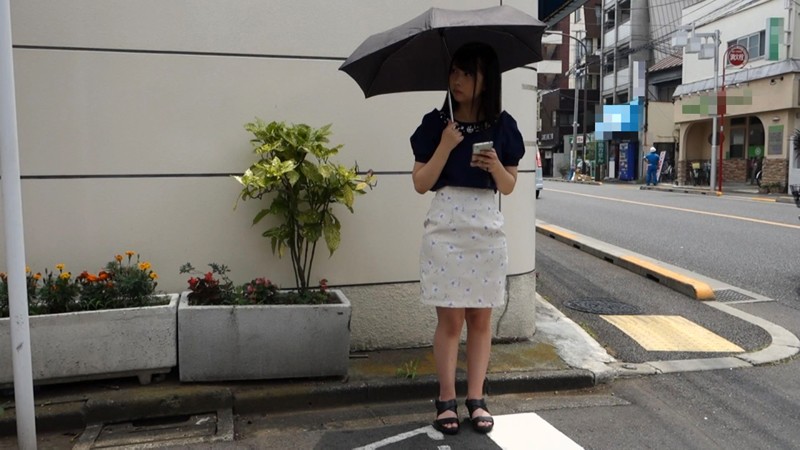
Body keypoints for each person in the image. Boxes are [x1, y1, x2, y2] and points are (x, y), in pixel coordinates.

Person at [409, 42, 524, 436]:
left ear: (485, 81)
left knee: (480, 318)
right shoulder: (436, 123)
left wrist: (495, 167)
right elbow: (420, 182)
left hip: (485, 230)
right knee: (450, 320)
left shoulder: (503, 126)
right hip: (445, 228)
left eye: (467, 73)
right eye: (454, 72)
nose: (456, 80)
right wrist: (445, 145)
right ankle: (446, 399)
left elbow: (508, 186)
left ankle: (476, 398)